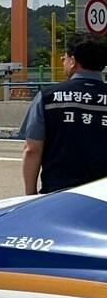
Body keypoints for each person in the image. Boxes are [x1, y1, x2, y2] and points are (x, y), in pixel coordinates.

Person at [20, 32, 107, 195]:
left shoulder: (48, 96)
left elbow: (32, 149)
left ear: (73, 61)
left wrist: (30, 196)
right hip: (102, 199)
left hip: (58, 197)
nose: (62, 60)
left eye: (65, 56)